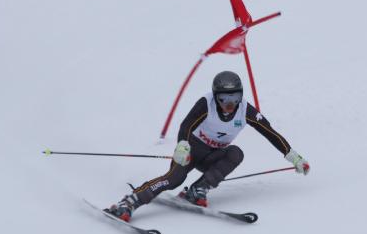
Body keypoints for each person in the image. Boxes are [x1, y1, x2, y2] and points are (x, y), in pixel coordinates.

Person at [105, 71, 310, 221]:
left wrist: (293, 156)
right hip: (191, 151)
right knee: (175, 178)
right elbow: (187, 125)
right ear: (215, 96)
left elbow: (270, 132)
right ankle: (129, 202)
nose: (230, 104)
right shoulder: (206, 103)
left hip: (213, 156)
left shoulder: (246, 111)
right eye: (224, 98)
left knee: (236, 153)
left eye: (235, 98)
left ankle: (198, 190)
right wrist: (182, 146)